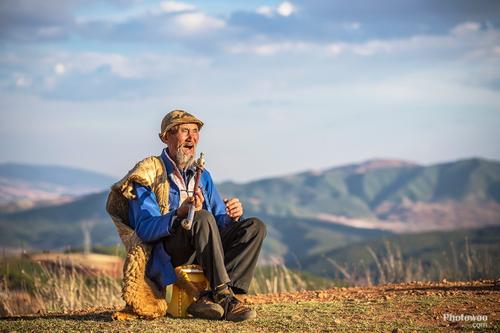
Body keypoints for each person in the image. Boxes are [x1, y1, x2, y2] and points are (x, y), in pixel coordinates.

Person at [126, 109, 266, 321]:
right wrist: (178, 214)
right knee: (200, 217)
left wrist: (231, 216)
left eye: (195, 131)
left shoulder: (203, 175)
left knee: (254, 227)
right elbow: (144, 229)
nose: (192, 137)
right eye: (184, 131)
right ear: (166, 137)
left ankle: (211, 297)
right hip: (169, 251)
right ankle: (224, 298)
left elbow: (219, 221)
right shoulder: (147, 173)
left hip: (204, 248)